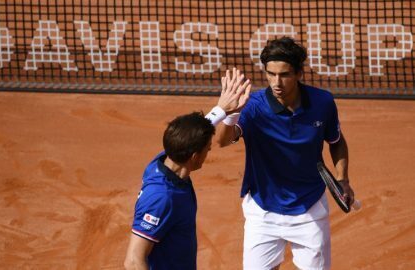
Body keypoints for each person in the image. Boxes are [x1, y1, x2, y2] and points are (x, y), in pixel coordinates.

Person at [217, 37, 356, 270]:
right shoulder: (253, 105)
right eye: (270, 74)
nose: (276, 82)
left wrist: (342, 178)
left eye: (284, 75)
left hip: (309, 210)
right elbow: (222, 140)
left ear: (299, 73)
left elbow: (336, 141)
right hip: (263, 211)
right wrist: (230, 114)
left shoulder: (323, 102)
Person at [124, 68, 251, 270]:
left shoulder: (167, 158)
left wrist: (222, 109)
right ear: (195, 157)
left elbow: (188, 135)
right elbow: (133, 260)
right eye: (207, 149)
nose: (209, 152)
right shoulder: (162, 198)